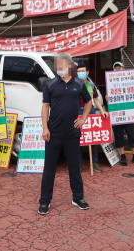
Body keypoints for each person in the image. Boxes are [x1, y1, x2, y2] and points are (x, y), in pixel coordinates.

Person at [38, 53, 92, 215]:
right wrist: (45, 128)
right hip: (53, 133)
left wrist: (83, 119)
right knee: (49, 169)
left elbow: (88, 101)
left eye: (62, 64)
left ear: (69, 65)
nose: (59, 68)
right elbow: (45, 106)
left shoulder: (79, 84)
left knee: (74, 167)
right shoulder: (51, 84)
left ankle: (78, 197)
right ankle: (45, 201)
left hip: (72, 133)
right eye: (57, 65)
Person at [108, 61, 134, 166]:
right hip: (117, 113)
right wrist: (107, 98)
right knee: (118, 135)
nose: (118, 69)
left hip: (129, 113)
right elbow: (108, 95)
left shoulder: (132, 80)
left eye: (120, 67)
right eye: (116, 68)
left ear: (124, 69)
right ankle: (122, 156)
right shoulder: (110, 81)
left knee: (131, 134)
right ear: (113, 70)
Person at [77, 63, 108, 173]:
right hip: (78, 113)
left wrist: (102, 110)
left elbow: (95, 99)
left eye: (83, 71)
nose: (81, 73)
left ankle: (94, 163)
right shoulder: (74, 85)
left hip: (91, 112)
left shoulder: (91, 85)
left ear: (87, 72)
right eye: (79, 71)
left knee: (93, 139)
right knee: (79, 139)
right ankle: (79, 164)